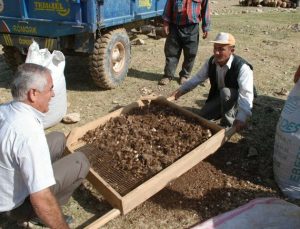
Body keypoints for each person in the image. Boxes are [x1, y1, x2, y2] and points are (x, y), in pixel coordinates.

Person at [0, 63, 90, 228]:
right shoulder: (28, 132)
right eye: (50, 89)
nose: (53, 94)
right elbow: (41, 198)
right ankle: (36, 216)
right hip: (14, 206)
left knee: (57, 138)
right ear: (33, 94)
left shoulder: (5, 110)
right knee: (80, 161)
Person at [171, 32, 254, 132]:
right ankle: (222, 111)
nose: (217, 52)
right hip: (221, 97)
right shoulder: (211, 62)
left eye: (221, 49)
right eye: (215, 48)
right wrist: (181, 90)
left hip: (237, 100)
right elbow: (197, 78)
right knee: (202, 117)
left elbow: (246, 93)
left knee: (226, 92)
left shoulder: (242, 67)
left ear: (232, 50)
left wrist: (242, 117)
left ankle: (228, 123)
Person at [159, 0, 211, 86]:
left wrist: (205, 27)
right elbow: (168, 7)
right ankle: (168, 75)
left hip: (192, 27)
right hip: (175, 26)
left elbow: (205, 10)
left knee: (190, 53)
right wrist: (166, 23)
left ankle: (185, 76)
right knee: (171, 52)